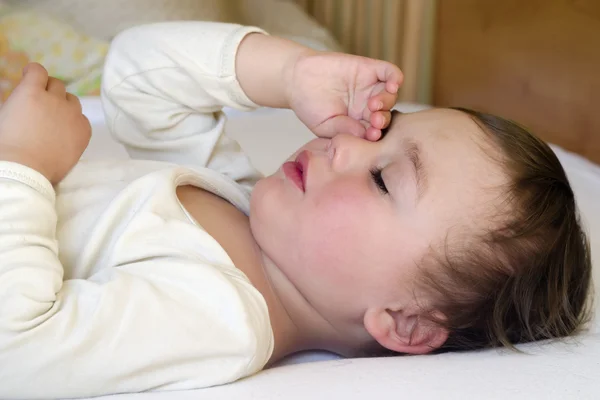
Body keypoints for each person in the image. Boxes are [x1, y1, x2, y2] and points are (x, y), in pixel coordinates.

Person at [0, 22, 592, 399]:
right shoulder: (238, 194)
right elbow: (139, 79)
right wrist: (289, 71)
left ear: (406, 322)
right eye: (382, 128)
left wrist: (22, 163)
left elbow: (19, 351)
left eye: (384, 179)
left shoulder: (216, 320)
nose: (350, 144)